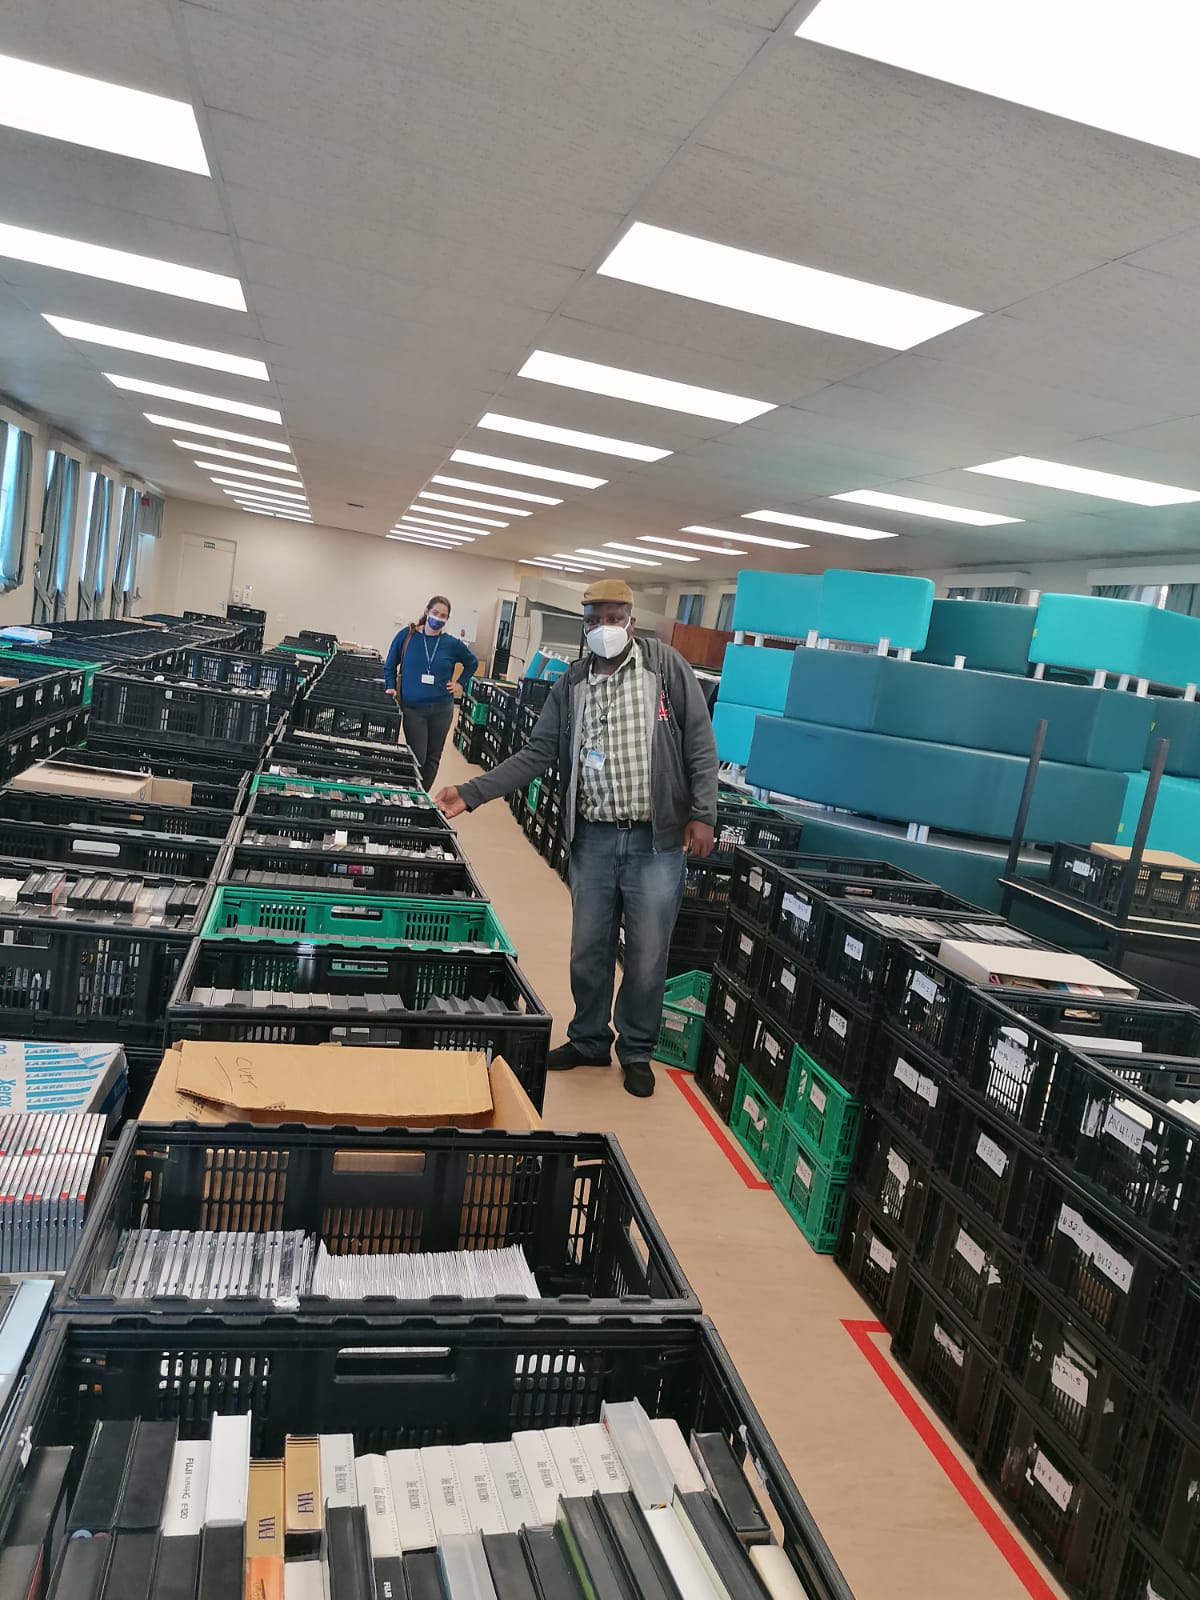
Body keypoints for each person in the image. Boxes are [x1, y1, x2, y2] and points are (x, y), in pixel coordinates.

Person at [436, 579, 718, 1098]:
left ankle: (636, 1049)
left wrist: (703, 812)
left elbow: (700, 740)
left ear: (630, 620)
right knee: (588, 950)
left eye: (613, 618)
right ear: (583, 624)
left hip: (656, 841)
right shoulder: (573, 683)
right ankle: (589, 1038)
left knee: (647, 953)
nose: (603, 628)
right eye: (593, 619)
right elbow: (536, 753)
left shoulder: (664, 667)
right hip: (592, 838)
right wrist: (473, 792)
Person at [384, 596, 478, 790]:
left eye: (443, 616)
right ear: (427, 611)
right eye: (435, 613)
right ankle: (411, 791)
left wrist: (460, 683)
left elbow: (472, 662)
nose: (438, 618)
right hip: (413, 708)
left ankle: (420, 797)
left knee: (433, 758)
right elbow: (390, 663)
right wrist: (391, 686)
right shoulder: (407, 636)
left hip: (442, 709)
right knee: (418, 756)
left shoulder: (451, 644)